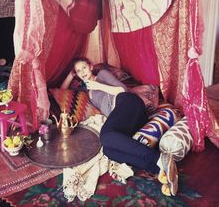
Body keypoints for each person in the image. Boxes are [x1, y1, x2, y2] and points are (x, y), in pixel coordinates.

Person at [68, 57, 178, 196]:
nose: (82, 72)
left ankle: (159, 158)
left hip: (129, 103)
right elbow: (62, 89)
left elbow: (123, 89)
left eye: (84, 67)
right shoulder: (86, 91)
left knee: (105, 136)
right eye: (78, 71)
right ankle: (161, 170)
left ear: (90, 66)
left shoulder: (101, 75)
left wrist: (98, 85)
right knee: (109, 151)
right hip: (124, 118)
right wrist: (70, 75)